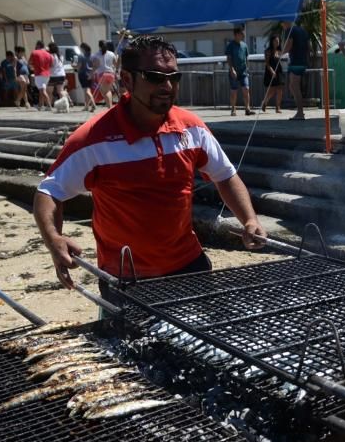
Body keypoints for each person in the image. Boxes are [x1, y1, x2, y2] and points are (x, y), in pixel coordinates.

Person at [34, 35, 267, 301]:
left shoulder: (191, 128)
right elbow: (49, 192)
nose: (167, 86)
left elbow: (225, 176)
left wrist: (250, 219)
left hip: (188, 266)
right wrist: (54, 239)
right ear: (128, 79)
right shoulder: (94, 139)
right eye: (155, 77)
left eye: (174, 77)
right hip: (125, 275)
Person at [280, 19, 310, 121]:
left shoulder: (290, 30)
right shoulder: (303, 31)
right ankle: (300, 111)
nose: (283, 27)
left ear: (286, 22)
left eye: (282, 24)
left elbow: (289, 45)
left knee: (294, 86)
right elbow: (308, 47)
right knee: (293, 86)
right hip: (303, 62)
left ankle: (300, 113)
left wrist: (280, 54)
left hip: (296, 62)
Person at [225, 25, 253, 117]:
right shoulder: (230, 45)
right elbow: (228, 58)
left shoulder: (244, 45)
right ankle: (233, 109)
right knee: (234, 91)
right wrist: (232, 69)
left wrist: (247, 67)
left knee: (246, 89)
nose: (244, 34)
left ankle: (247, 109)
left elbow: (246, 57)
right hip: (234, 72)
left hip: (243, 72)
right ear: (236, 34)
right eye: (242, 33)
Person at [262, 34, 284, 113]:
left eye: (278, 41)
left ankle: (278, 107)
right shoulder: (268, 51)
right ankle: (265, 102)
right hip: (270, 71)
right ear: (272, 42)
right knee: (272, 90)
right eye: (275, 41)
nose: (277, 42)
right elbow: (267, 63)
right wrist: (272, 71)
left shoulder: (279, 51)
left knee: (280, 89)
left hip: (279, 71)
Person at [28, 41, 53, 111]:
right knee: (41, 90)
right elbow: (51, 65)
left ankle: (49, 105)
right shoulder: (49, 54)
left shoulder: (34, 52)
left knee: (42, 91)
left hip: (39, 74)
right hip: (47, 75)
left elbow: (29, 63)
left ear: (38, 45)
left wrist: (33, 66)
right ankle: (40, 105)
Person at [94, 40, 118, 109]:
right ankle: (109, 106)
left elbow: (95, 65)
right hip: (110, 74)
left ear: (99, 46)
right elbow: (115, 63)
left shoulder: (97, 54)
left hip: (102, 74)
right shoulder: (111, 53)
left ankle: (109, 107)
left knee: (106, 91)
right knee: (104, 91)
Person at [46, 43, 70, 108]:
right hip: (61, 75)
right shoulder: (60, 56)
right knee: (60, 91)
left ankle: (49, 106)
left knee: (49, 92)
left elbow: (50, 65)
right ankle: (65, 104)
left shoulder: (50, 56)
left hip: (52, 75)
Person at [76, 43, 97, 112]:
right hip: (90, 74)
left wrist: (75, 67)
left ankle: (93, 104)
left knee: (86, 91)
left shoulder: (81, 56)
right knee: (87, 91)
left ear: (83, 48)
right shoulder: (93, 55)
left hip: (83, 74)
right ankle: (86, 106)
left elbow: (79, 66)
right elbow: (95, 66)